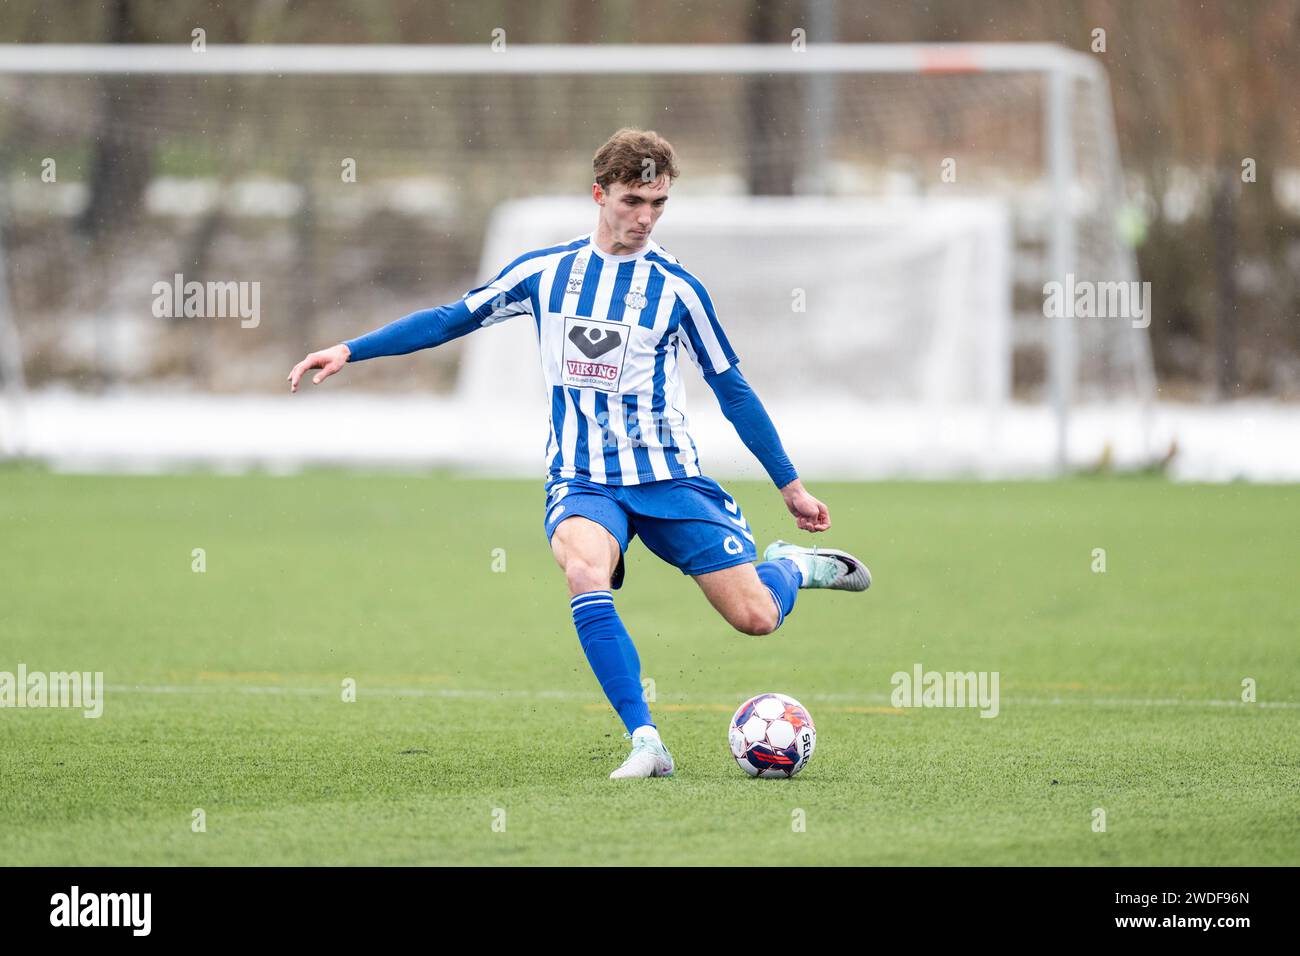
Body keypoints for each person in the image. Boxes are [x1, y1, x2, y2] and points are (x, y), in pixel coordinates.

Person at [288, 127, 870, 779]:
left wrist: (789, 486)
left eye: (657, 204)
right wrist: (350, 349)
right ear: (599, 194)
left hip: (670, 478)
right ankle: (645, 740)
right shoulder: (545, 274)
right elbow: (451, 318)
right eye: (631, 201)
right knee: (585, 572)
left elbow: (732, 389)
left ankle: (791, 568)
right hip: (583, 480)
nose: (644, 217)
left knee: (756, 619)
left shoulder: (678, 291)